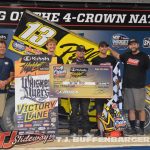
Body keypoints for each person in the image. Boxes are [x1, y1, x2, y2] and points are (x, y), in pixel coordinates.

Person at [109, 38, 150, 135]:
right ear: (129, 46)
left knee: (140, 109)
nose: (133, 46)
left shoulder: (144, 56)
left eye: (135, 44)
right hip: (127, 87)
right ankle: (132, 128)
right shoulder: (126, 55)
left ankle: (141, 129)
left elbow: (147, 67)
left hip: (139, 87)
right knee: (131, 109)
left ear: (138, 45)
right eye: (131, 44)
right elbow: (118, 56)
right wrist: (110, 49)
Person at [92, 41, 117, 136]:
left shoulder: (112, 59)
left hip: (110, 89)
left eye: (105, 47)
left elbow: (115, 73)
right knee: (99, 112)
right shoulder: (95, 60)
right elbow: (92, 75)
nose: (103, 48)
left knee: (110, 111)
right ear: (98, 48)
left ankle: (109, 129)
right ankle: (100, 130)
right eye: (101, 47)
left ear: (107, 48)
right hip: (98, 89)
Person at [67, 45, 92, 137]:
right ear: (76, 52)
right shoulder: (70, 62)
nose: (82, 53)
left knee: (85, 112)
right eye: (80, 51)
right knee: (74, 112)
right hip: (73, 91)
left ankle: (86, 131)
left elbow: (92, 77)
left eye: (83, 51)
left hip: (85, 91)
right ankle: (73, 132)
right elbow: (65, 76)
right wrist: (70, 68)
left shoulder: (89, 63)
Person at [0, 39, 14, 118]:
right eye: (0, 47)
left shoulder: (9, 61)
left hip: (3, 91)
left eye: (3, 47)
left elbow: (12, 76)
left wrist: (5, 82)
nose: (2, 48)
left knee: (1, 113)